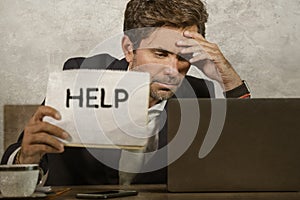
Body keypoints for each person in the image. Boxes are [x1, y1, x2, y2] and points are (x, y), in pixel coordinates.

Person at [1, 0, 250, 185]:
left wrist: (228, 79)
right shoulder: (83, 75)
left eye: (183, 57)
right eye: (160, 54)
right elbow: (18, 163)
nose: (173, 71)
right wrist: (26, 157)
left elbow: (250, 161)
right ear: (130, 49)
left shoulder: (198, 96)